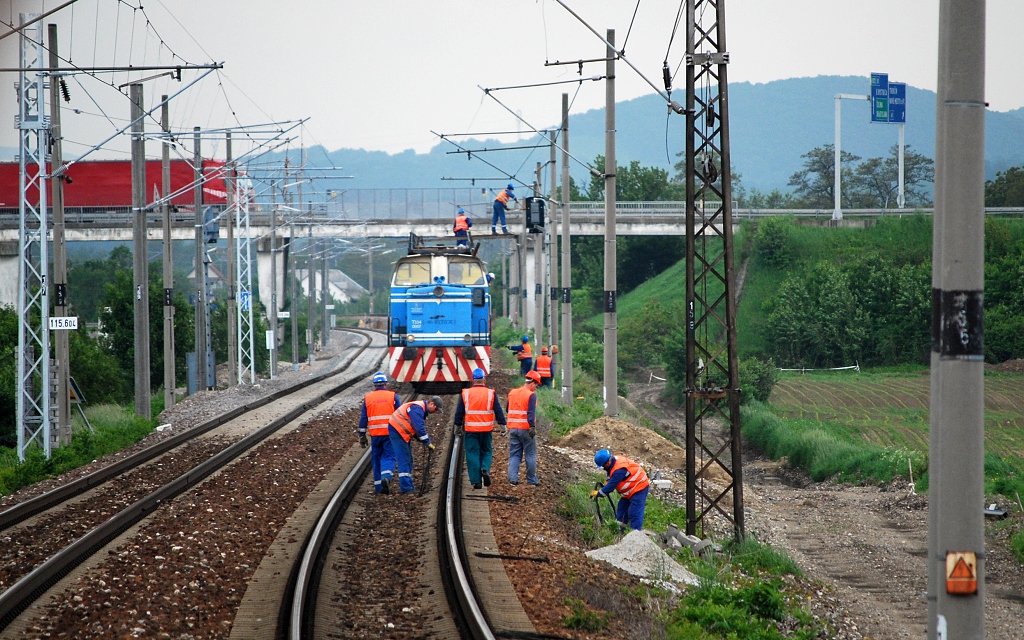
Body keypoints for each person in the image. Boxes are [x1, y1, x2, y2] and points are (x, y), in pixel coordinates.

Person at [454, 368, 506, 489]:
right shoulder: (491, 393)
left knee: (472, 453)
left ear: (473, 380)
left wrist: (457, 427)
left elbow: (459, 412)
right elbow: (498, 410)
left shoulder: (466, 393)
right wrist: (503, 425)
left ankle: (476, 482)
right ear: (484, 380)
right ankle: (485, 469)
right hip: (486, 430)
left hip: (471, 429)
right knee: (487, 451)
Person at [358, 372, 402, 494]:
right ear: (386, 384)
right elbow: (400, 414)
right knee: (390, 456)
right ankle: (386, 478)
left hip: (375, 434)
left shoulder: (368, 398)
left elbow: (363, 418)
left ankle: (379, 488)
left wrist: (362, 435)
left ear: (374, 385)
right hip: (390, 434)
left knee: (376, 459)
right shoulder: (393, 396)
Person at [388, 396, 442, 493]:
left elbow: (415, 428)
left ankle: (408, 486)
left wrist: (423, 440)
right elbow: (419, 428)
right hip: (397, 431)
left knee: (408, 458)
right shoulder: (418, 408)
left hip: (399, 431)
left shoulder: (419, 408)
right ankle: (406, 488)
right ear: (431, 404)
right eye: (436, 409)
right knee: (405, 459)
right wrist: (427, 442)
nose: (435, 412)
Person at [591, 449, 650, 531]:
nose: (603, 468)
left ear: (607, 462)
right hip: (629, 491)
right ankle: (620, 531)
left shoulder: (619, 470)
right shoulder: (614, 461)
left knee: (634, 512)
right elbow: (610, 472)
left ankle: (635, 535)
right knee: (622, 509)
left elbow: (610, 487)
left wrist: (599, 493)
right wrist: (608, 480)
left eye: (603, 466)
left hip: (639, 487)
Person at [505, 370, 541, 486]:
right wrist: (532, 427)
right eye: (536, 385)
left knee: (514, 454)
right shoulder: (531, 395)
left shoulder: (512, 392)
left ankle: (512, 478)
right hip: (526, 429)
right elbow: (530, 414)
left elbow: (507, 409)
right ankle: (531, 480)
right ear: (532, 383)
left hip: (513, 429)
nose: (536, 387)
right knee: (530, 454)